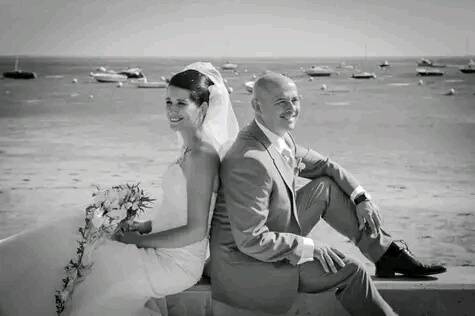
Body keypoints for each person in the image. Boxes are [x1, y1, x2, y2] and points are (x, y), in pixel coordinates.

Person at [0, 62, 239, 316]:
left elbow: (195, 231)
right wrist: (143, 226)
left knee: (94, 269)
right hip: (160, 248)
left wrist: (139, 241)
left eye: (181, 103)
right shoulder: (188, 150)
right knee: (77, 228)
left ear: (202, 107)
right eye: (168, 102)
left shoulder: (202, 156)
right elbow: (176, 210)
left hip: (176, 263)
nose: (171, 110)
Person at [210, 72, 446, 315]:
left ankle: (385, 253)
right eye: (282, 102)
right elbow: (250, 240)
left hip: (272, 233)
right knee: (352, 270)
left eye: (295, 100)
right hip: (246, 263)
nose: (292, 108)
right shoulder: (249, 159)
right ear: (257, 106)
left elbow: (325, 165)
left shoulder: (280, 139)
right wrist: (309, 246)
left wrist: (361, 197)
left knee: (325, 188)